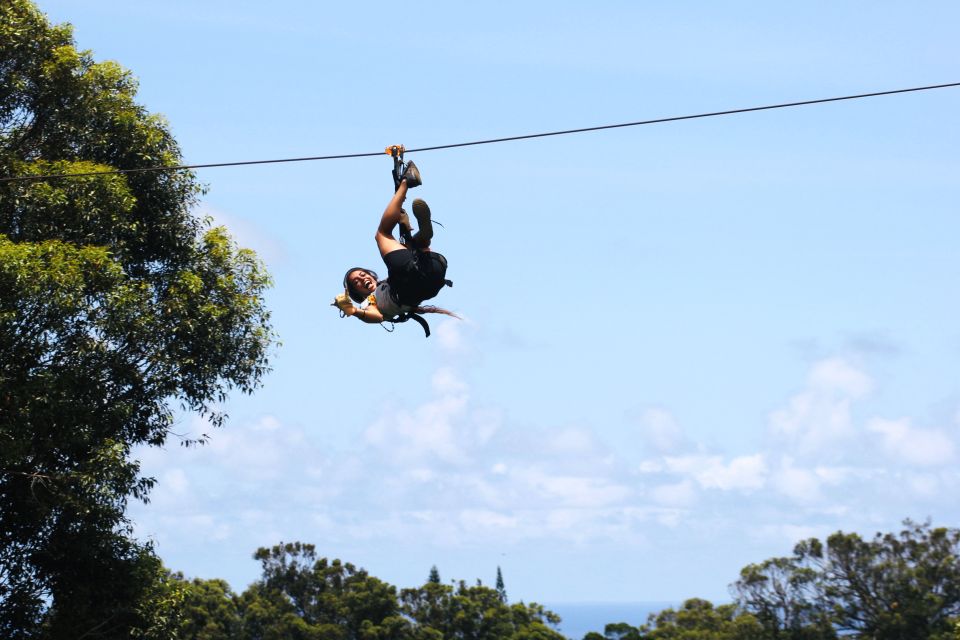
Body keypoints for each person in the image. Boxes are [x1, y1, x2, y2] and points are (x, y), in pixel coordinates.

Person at [333, 162, 456, 336]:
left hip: (432, 273)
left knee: (415, 248)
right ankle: (407, 182)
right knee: (382, 235)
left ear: (371, 274)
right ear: (357, 293)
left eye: (361, 275)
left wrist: (405, 228)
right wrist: (354, 311)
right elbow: (375, 317)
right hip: (418, 280)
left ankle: (423, 233)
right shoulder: (368, 303)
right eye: (356, 283)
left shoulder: (387, 283)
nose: (361, 279)